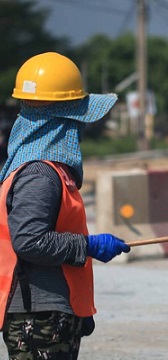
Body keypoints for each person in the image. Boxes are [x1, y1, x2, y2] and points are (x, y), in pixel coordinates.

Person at [0, 52, 130, 359]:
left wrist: (76, 308)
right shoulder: (40, 174)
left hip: (49, 311)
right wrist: (88, 246)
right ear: (64, 123)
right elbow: (29, 241)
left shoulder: (47, 171)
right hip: (38, 315)